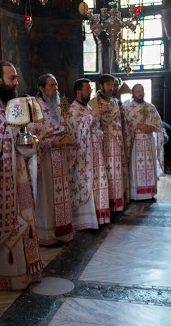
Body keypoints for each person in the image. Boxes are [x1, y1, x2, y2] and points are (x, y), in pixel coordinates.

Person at [0, 61, 43, 290]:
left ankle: (24, 272)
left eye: (15, 78)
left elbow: (15, 129)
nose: (16, 82)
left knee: (24, 216)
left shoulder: (8, 103)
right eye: (11, 78)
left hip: (16, 171)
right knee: (6, 220)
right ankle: (1, 275)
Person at [30, 73, 73, 245]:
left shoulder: (56, 105)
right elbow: (32, 134)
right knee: (47, 196)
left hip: (60, 156)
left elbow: (64, 125)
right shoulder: (35, 107)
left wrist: (64, 136)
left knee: (61, 194)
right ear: (41, 88)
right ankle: (47, 235)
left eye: (55, 85)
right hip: (46, 157)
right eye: (51, 86)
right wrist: (50, 142)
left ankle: (62, 232)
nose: (55, 89)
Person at [67, 78, 110, 229]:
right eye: (87, 89)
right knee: (88, 183)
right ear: (78, 91)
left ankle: (99, 215)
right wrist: (92, 115)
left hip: (95, 151)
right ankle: (85, 219)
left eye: (90, 89)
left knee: (98, 182)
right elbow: (76, 130)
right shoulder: (73, 109)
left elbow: (93, 125)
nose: (90, 91)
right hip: (84, 155)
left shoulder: (86, 108)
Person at [88, 74, 126, 211]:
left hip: (115, 142)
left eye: (113, 84)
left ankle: (116, 204)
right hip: (100, 143)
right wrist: (98, 114)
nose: (111, 87)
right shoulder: (93, 103)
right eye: (109, 84)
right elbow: (90, 123)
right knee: (103, 174)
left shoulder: (115, 102)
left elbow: (120, 122)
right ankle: (103, 204)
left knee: (115, 173)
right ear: (101, 86)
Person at [122, 84, 164, 201]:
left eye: (142, 91)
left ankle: (149, 193)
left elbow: (158, 123)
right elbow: (125, 125)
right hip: (136, 142)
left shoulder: (151, 107)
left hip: (149, 141)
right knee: (137, 167)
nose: (141, 93)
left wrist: (152, 127)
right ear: (133, 93)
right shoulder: (128, 108)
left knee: (149, 166)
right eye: (138, 91)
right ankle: (137, 194)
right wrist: (138, 125)